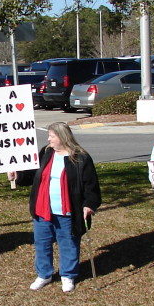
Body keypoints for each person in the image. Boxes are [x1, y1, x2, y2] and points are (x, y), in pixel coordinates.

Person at [9, 121, 101, 293]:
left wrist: (89, 204)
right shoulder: (46, 152)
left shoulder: (81, 157)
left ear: (62, 137)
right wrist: (18, 175)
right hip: (43, 209)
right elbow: (31, 174)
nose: (48, 139)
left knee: (68, 243)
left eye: (52, 136)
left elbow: (91, 186)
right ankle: (44, 274)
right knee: (42, 243)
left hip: (68, 211)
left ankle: (68, 275)